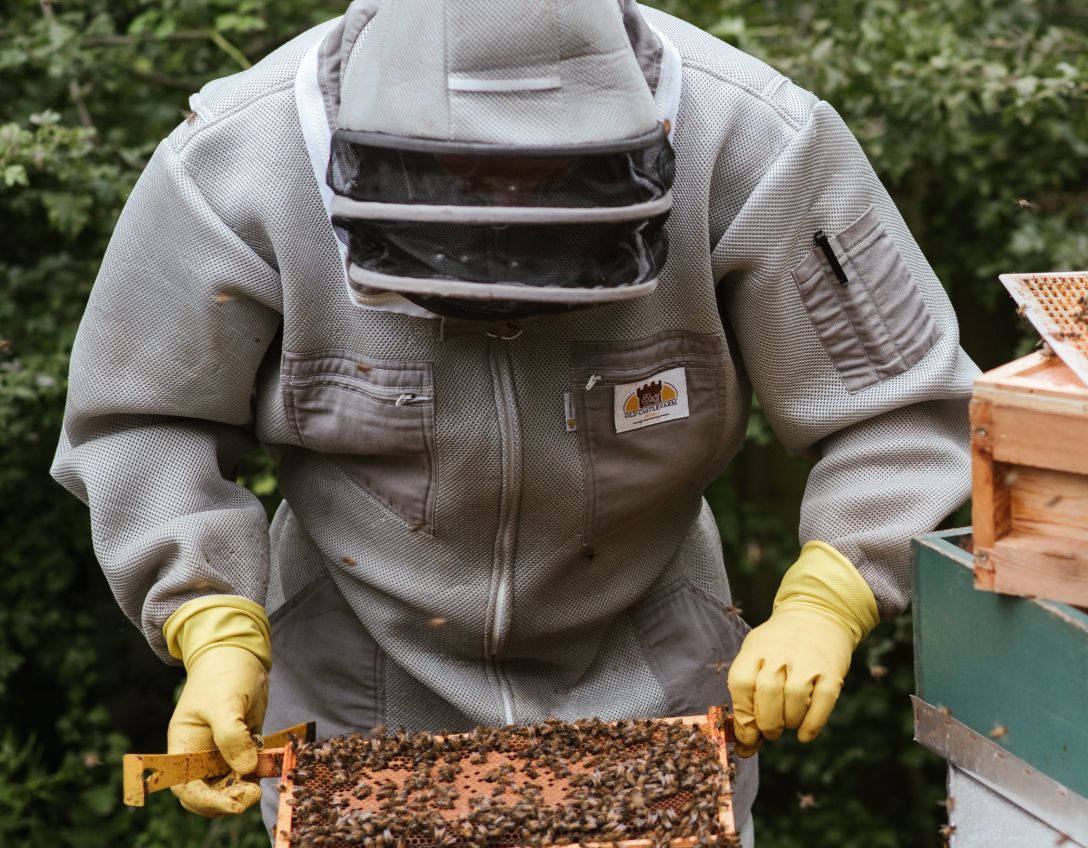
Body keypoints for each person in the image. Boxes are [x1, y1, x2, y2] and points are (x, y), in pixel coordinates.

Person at [49, 1, 976, 839]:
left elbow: (901, 408)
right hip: (351, 682)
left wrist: (834, 590)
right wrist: (208, 615)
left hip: (654, 673)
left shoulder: (755, 139)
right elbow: (144, 422)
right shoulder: (238, 162)